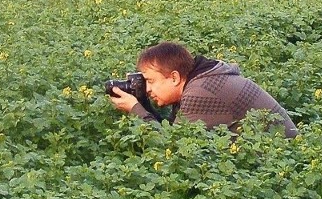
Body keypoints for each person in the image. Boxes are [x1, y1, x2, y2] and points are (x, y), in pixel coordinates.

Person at [109, 41, 299, 138]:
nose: (148, 88)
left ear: (174, 77)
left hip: (282, 161)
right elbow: (172, 132)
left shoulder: (200, 92)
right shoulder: (202, 76)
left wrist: (136, 109)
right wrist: (142, 104)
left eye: (150, 81)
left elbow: (172, 145)